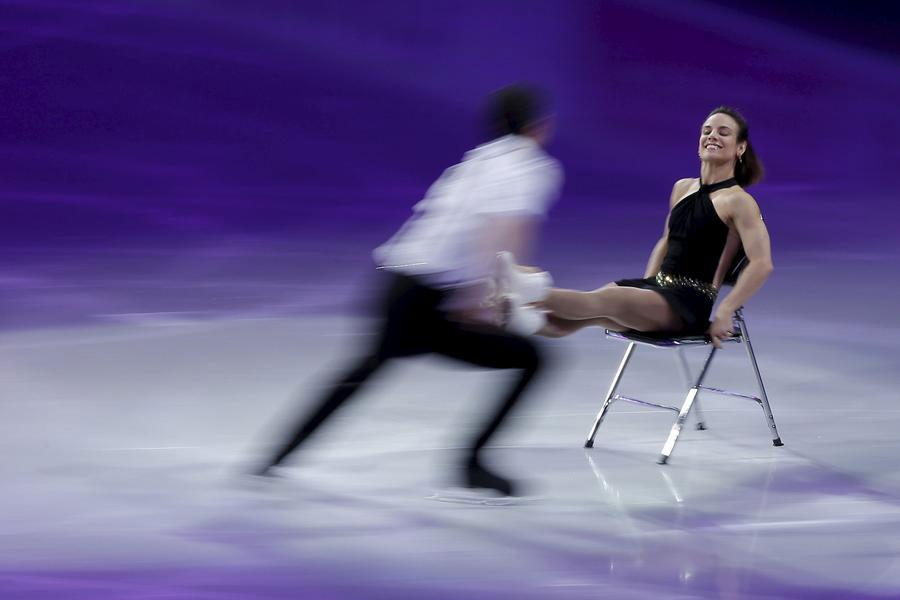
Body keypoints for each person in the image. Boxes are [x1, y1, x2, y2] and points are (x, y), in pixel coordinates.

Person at [251, 85, 563, 496]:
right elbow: (502, 233)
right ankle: (471, 463)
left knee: (364, 370)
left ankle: (278, 456)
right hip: (433, 298)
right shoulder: (529, 167)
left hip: (397, 286)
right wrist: (485, 300)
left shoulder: (474, 162)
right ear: (539, 127)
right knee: (532, 359)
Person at [501, 106, 772, 349]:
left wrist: (725, 311)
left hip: (687, 303)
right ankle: (522, 318)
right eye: (707, 130)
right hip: (659, 290)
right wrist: (646, 286)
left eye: (724, 133)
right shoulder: (682, 188)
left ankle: (530, 289)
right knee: (590, 312)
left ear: (740, 147)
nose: (712, 136)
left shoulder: (739, 201)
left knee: (606, 301)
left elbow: (762, 264)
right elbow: (666, 241)